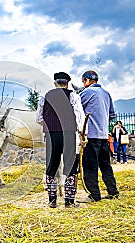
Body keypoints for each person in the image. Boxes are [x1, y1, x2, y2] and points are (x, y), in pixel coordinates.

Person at [36, 72, 80, 208]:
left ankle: (52, 200)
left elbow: (38, 119)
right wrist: (82, 133)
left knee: (52, 166)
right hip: (68, 134)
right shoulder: (73, 96)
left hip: (51, 135)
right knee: (70, 166)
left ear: (55, 84)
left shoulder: (45, 97)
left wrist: (50, 125)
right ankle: (69, 201)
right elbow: (79, 115)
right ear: (67, 84)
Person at [79, 70, 119, 202]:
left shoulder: (86, 92)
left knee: (90, 166)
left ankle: (94, 195)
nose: (83, 84)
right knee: (105, 165)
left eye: (83, 81)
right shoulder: (106, 94)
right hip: (103, 136)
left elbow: (77, 110)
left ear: (88, 80)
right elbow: (112, 115)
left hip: (91, 135)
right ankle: (113, 191)